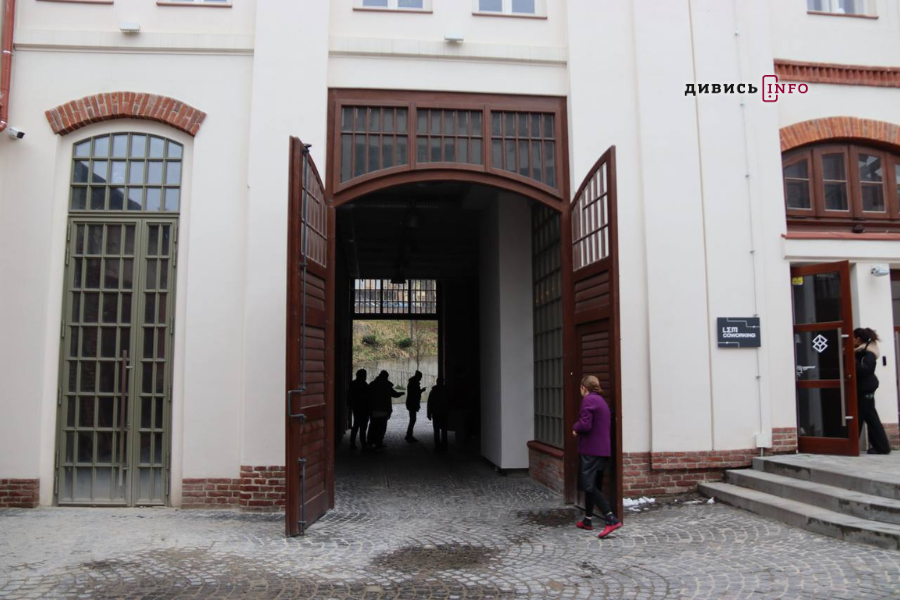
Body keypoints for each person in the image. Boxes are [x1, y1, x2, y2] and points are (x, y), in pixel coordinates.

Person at [572, 375, 621, 539]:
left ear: (583, 388)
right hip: (602, 450)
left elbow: (585, 424)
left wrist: (575, 428)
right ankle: (587, 519)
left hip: (591, 450)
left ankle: (610, 518)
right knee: (593, 485)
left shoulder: (589, 400)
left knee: (588, 485)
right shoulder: (600, 401)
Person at [854, 327, 891, 455]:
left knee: (859, 417)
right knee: (870, 417)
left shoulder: (868, 352)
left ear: (858, 339)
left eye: (853, 338)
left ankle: (852, 445)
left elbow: (866, 370)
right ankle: (882, 447)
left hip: (865, 389)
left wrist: (853, 361)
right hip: (865, 388)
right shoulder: (862, 351)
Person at [367, 370, 403, 451]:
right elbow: (394, 394)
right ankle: (378, 444)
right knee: (381, 428)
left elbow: (367, 396)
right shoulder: (387, 385)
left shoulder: (372, 384)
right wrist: (400, 393)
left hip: (374, 410)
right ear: (386, 377)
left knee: (372, 427)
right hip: (384, 411)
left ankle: (370, 443)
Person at [348, 369, 370, 450]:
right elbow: (368, 398)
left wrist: (351, 406)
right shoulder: (365, 385)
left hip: (356, 408)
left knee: (356, 426)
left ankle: (352, 442)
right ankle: (363, 442)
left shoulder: (352, 384)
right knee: (363, 427)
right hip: (364, 409)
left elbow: (349, 396)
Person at [427, 376, 450, 453]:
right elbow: (449, 402)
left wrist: (429, 413)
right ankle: (444, 445)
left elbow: (429, 403)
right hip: (444, 413)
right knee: (444, 430)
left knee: (436, 431)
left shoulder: (433, 391)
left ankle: (437, 446)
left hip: (436, 413)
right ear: (442, 382)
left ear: (437, 382)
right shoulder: (446, 391)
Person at [405, 371, 426, 443]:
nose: (421, 379)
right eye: (420, 377)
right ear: (418, 376)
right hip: (412, 404)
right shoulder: (413, 383)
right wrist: (421, 390)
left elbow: (414, 393)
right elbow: (415, 393)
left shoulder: (412, 383)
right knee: (412, 420)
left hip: (411, 404)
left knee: (412, 420)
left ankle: (409, 435)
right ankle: (409, 436)